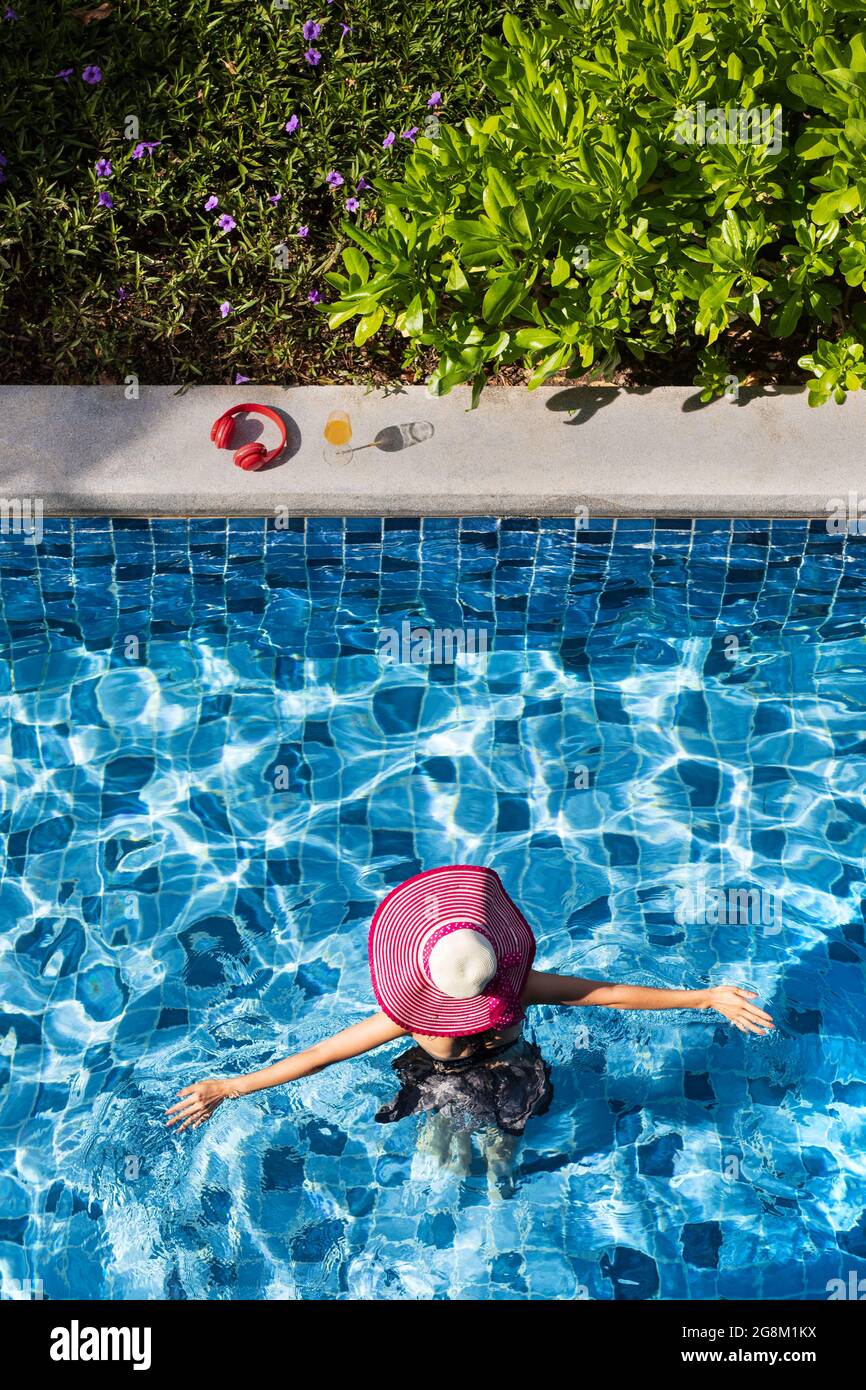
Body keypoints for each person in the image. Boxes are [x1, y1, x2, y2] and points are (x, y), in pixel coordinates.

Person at [166, 866, 774, 1166]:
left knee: (439, 1158)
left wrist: (231, 1085)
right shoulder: (519, 987)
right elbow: (608, 993)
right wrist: (705, 997)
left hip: (437, 1085)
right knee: (501, 1159)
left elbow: (321, 1056)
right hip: (513, 1078)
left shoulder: (412, 1021)